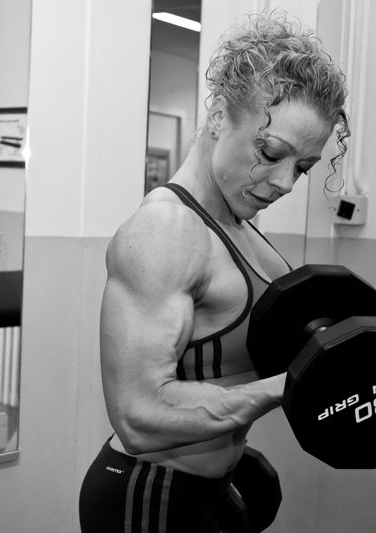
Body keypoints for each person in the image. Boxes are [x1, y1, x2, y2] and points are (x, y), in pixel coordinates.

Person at [79, 12, 349, 533]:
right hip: (147, 495)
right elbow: (137, 417)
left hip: (211, 488)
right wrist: (288, 386)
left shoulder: (237, 226)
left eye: (302, 167)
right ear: (220, 116)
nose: (285, 182)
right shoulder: (165, 230)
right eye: (270, 153)